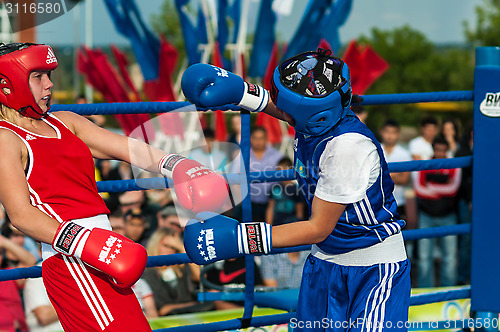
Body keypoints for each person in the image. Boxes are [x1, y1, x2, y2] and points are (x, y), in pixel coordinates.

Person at [0, 42, 228, 332]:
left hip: (106, 249)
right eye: (38, 76)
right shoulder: (6, 139)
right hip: (73, 260)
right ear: (8, 83)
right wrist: (85, 243)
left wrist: (181, 166)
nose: (50, 84)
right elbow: (21, 216)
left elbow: (128, 147)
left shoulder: (64, 122)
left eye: (49, 74)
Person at [181, 48, 411, 330]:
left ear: (313, 116)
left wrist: (240, 239)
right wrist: (242, 92)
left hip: (371, 270)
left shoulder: (347, 149)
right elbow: (289, 111)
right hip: (324, 261)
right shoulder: (319, 121)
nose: (284, 115)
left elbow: (317, 228)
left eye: (290, 113)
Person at [414, 136, 461, 288]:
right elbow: (418, 189)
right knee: (424, 257)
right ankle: (425, 291)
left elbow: (453, 189)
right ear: (433, 149)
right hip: (427, 215)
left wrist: (431, 187)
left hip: (448, 216)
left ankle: (449, 290)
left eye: (443, 150)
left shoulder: (454, 164)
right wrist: (442, 190)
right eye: (438, 149)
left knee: (450, 257)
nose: (440, 153)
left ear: (446, 150)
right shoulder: (425, 164)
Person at [141, 227, 213, 316]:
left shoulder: (181, 268)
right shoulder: (147, 272)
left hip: (191, 314)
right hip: (166, 320)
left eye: (173, 247)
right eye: (166, 245)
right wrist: (193, 305)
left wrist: (182, 247)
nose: (169, 250)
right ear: (156, 245)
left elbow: (200, 277)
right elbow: (162, 310)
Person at [230, 126, 283, 221]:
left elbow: (284, 178)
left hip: (271, 205)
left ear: (266, 139)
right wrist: (241, 200)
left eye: (261, 138)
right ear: (251, 139)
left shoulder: (277, 156)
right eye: (255, 138)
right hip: (247, 204)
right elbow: (234, 179)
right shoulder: (242, 155)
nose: (258, 141)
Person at [265, 157, 305, 226]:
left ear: (290, 170)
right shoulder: (275, 188)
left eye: (283, 170)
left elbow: (299, 213)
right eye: (278, 170)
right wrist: (269, 226)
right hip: (276, 223)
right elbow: (270, 208)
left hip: (290, 223)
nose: (281, 173)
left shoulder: (297, 190)